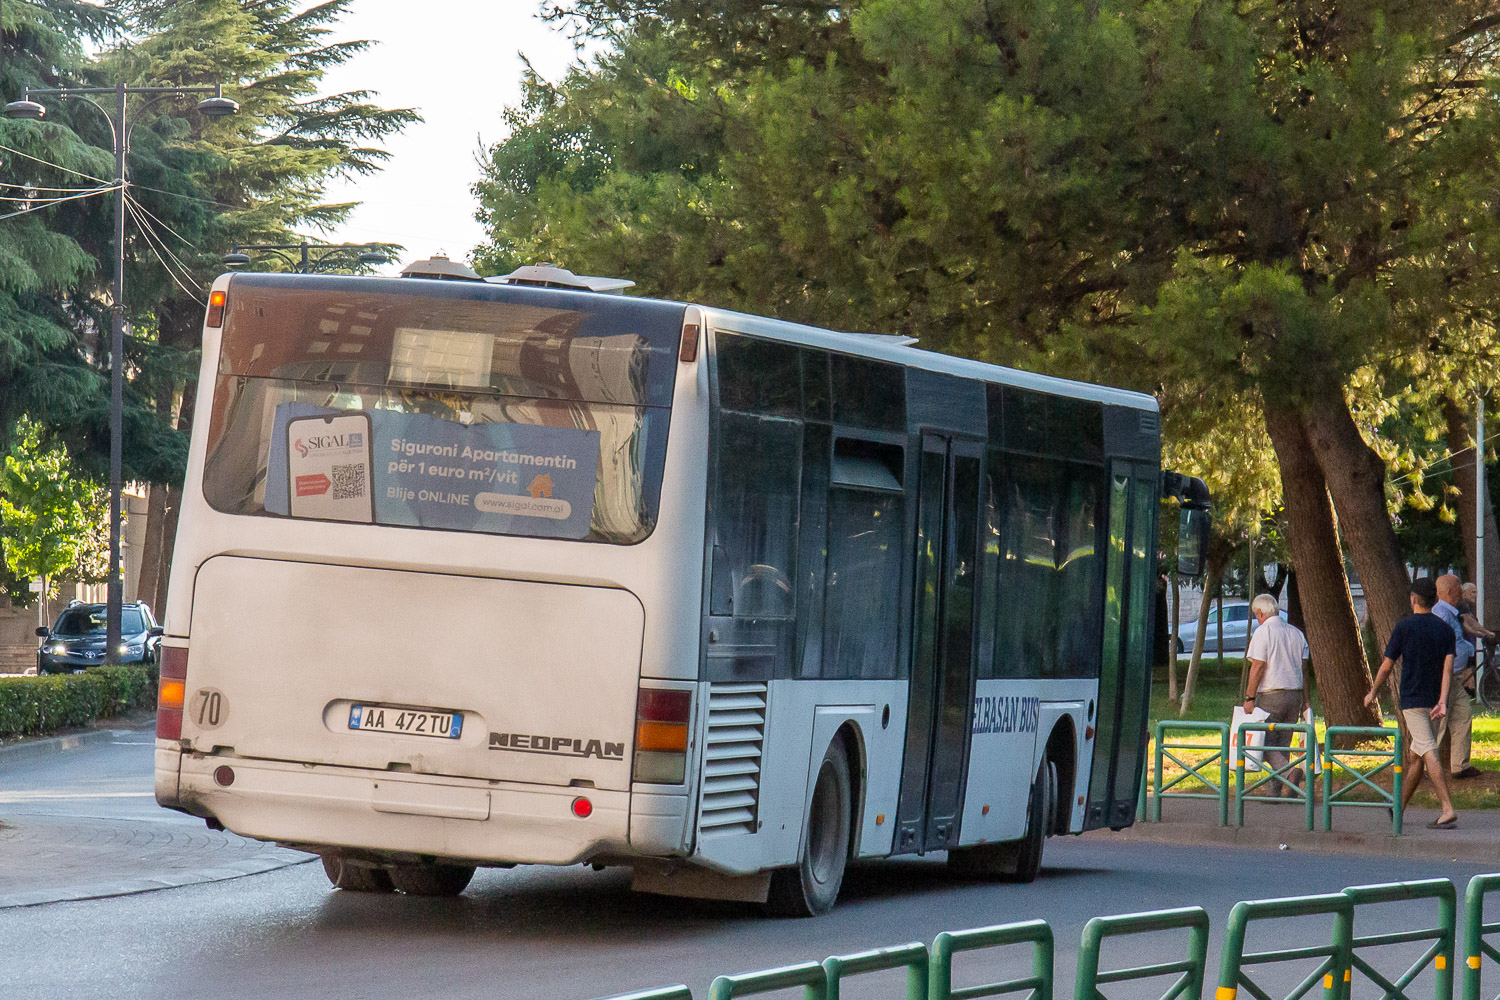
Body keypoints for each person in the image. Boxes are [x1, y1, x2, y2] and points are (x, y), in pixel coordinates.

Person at [1364, 577, 1458, 828]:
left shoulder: (1403, 627)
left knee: (1428, 752)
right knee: (1415, 756)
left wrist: (1373, 692)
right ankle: (1398, 807)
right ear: (1436, 600)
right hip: (1434, 702)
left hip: (1413, 701)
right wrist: (1443, 701)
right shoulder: (1446, 630)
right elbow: (1448, 670)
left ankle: (1447, 809)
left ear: (1414, 599)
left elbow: (1386, 667)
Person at [1242, 592, 1310, 795]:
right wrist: (1306, 700)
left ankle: (1290, 773)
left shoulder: (1263, 632)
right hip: (1294, 694)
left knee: (1266, 744)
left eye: (1256, 614)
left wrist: (1249, 697)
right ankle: (1278, 789)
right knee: (1283, 744)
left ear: (1261, 613)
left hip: (1271, 694)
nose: (1256, 618)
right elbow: (1304, 670)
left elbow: (1258, 667)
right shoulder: (1296, 633)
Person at [1435, 575, 1482, 780]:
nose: (1460, 593)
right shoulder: (1440, 614)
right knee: (1439, 724)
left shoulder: (1451, 613)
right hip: (1442, 677)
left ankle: (1459, 766)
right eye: (1457, 589)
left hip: (1454, 677)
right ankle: (1429, 766)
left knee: (1463, 715)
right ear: (1449, 592)